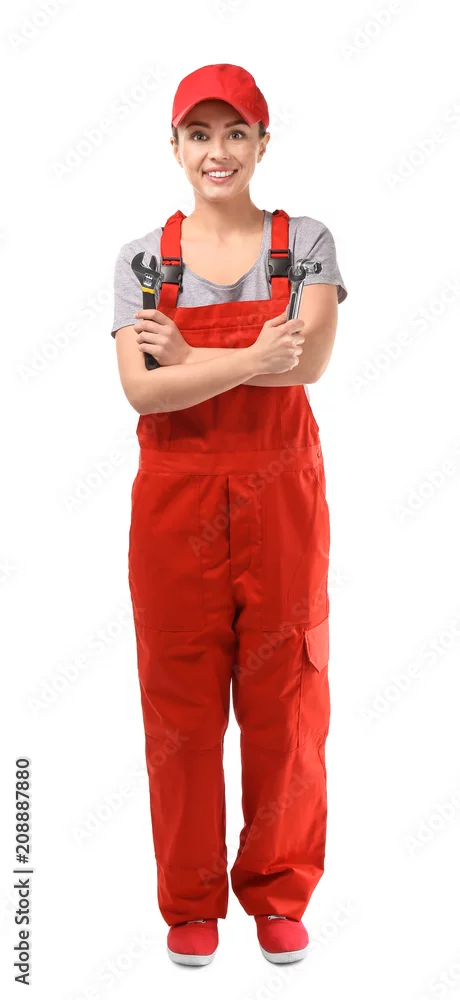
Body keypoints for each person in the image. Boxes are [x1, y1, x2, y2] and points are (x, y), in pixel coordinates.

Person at [110, 63, 348, 968]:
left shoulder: (307, 242)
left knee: (288, 696)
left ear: (262, 143)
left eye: (236, 132)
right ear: (174, 147)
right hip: (176, 502)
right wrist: (254, 355)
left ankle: (279, 890)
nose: (219, 151)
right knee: (180, 705)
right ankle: (190, 902)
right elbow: (143, 392)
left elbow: (309, 365)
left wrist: (190, 361)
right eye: (200, 134)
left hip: (281, 495)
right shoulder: (143, 261)